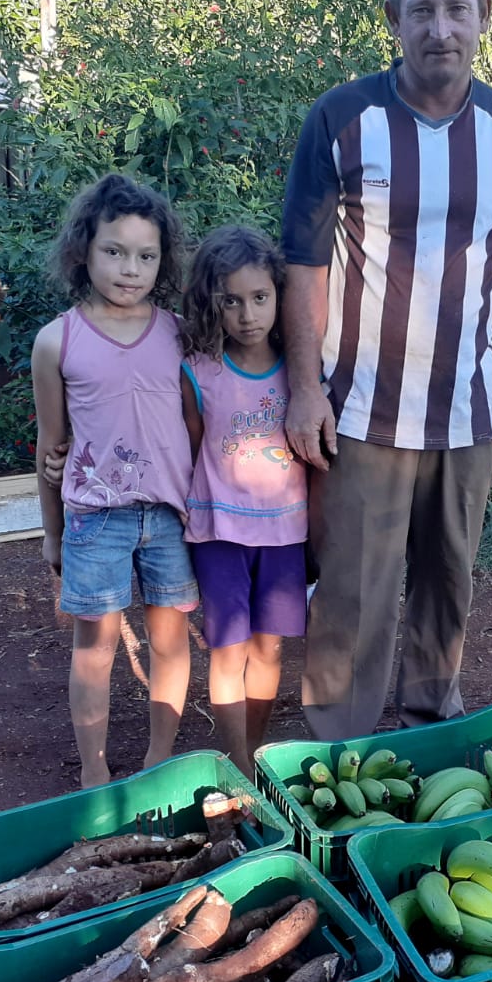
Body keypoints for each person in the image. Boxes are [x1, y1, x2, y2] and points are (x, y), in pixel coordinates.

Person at [281, 0, 492, 740]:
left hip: (469, 412)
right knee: (352, 594)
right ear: (393, 19)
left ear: (484, 16)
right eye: (422, 11)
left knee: (449, 587)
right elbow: (303, 265)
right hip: (360, 409)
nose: (441, 28)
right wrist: (304, 391)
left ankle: (432, 738)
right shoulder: (342, 118)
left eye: (456, 9)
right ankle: (335, 753)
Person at [31, 174, 198, 788]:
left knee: (170, 642)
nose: (131, 268)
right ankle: (93, 771)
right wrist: (52, 533)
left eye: (146, 256)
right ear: (84, 250)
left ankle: (159, 761)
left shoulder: (180, 333)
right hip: (96, 520)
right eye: (115, 251)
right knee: (96, 648)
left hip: (170, 517)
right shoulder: (57, 341)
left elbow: (197, 423)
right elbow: (50, 445)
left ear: (163, 260)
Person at [178, 225, 308, 773]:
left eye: (260, 298)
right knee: (229, 649)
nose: (248, 315)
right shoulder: (199, 372)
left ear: (279, 295)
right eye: (231, 301)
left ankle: (254, 757)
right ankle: (235, 767)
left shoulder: (302, 371)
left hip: (285, 533)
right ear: (212, 303)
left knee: (269, 648)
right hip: (220, 534)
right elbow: (189, 449)